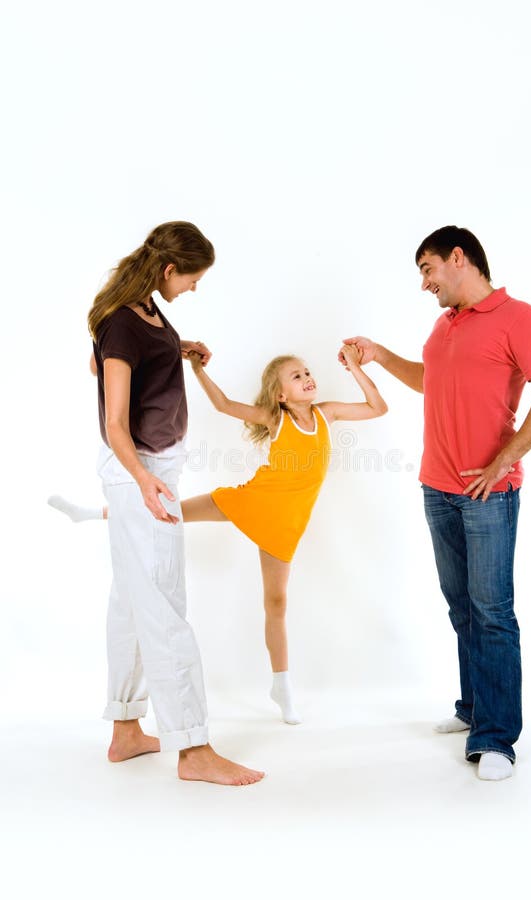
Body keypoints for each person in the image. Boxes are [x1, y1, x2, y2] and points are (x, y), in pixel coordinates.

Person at [50, 345, 388, 724]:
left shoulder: (327, 413)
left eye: (307, 372)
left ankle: (281, 685)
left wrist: (356, 367)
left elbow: (378, 407)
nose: (307, 378)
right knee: (171, 510)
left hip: (285, 523)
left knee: (276, 603)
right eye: (296, 376)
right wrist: (197, 370)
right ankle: (94, 513)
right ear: (280, 394)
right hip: (252, 500)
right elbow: (225, 405)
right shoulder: (276, 420)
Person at [341, 225, 531, 781]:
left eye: (427, 269)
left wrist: (501, 462)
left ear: (458, 258)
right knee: (462, 608)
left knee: (492, 613)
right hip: (437, 488)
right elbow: (431, 380)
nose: (424, 283)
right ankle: (473, 710)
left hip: (488, 495)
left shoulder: (521, 319)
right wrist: (379, 355)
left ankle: (496, 739)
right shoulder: (444, 325)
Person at [83, 220, 264, 785]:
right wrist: (142, 480)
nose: (193, 288)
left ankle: (126, 729)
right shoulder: (122, 320)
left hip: (149, 468)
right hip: (143, 470)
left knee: (133, 600)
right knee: (163, 602)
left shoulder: (143, 310)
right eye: (192, 278)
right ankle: (193, 748)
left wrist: (175, 349)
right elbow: (114, 421)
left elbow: (107, 363)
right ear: (168, 269)